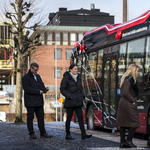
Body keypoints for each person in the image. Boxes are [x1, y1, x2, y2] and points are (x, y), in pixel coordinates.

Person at [60, 64, 92, 140]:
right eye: (74, 69)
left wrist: (82, 95)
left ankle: (83, 134)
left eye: (77, 69)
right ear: (70, 70)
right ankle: (68, 134)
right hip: (70, 102)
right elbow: (62, 89)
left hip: (78, 101)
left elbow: (80, 88)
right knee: (69, 119)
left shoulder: (78, 77)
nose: (76, 70)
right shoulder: (66, 78)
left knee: (81, 118)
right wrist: (70, 96)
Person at [22, 62, 52, 139]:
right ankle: (31, 133)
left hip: (39, 101)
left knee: (41, 117)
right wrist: (38, 91)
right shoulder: (26, 77)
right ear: (31, 68)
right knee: (30, 117)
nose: (36, 71)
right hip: (30, 101)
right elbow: (27, 89)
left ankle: (43, 133)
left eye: (37, 70)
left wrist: (44, 89)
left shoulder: (38, 76)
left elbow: (41, 85)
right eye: (35, 70)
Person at [116, 64, 140, 148]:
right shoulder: (129, 79)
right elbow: (125, 92)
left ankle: (123, 142)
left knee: (124, 123)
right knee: (135, 122)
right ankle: (129, 140)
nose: (138, 73)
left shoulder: (128, 79)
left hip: (125, 103)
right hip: (127, 103)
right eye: (137, 71)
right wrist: (133, 100)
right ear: (133, 71)